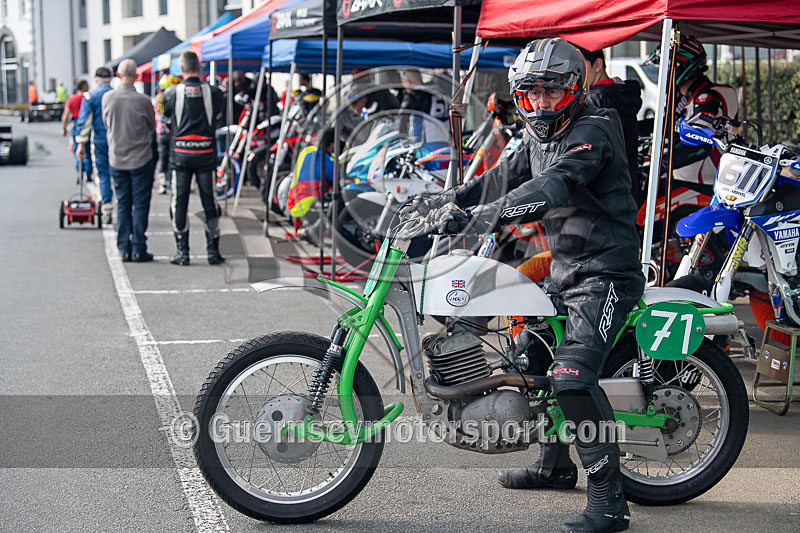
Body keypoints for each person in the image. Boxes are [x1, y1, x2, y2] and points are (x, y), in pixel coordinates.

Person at [407, 38, 643, 533]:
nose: (540, 103)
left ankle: (610, 500)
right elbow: (498, 178)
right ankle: (555, 466)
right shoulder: (535, 135)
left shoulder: (595, 127)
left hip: (605, 275)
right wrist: (440, 202)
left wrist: (474, 218)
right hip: (561, 268)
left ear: (575, 88)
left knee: (571, 377)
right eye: (530, 93)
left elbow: (551, 187)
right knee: (527, 359)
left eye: (552, 92)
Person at [646, 34, 738, 185]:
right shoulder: (680, 96)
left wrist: (661, 163)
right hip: (684, 182)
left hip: (708, 185)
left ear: (680, 67)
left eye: (666, 67)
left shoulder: (707, 98)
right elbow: (662, 125)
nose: (663, 74)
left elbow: (701, 142)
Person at [162, 51, 226, 266]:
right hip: (206, 153)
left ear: (181, 70)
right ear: (199, 68)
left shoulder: (171, 93)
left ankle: (183, 253)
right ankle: (213, 252)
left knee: (179, 202)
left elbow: (166, 118)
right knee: (210, 201)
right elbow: (218, 116)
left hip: (180, 155)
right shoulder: (214, 92)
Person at [102, 59, 156, 262]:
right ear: (136, 76)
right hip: (141, 157)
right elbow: (151, 124)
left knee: (123, 202)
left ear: (118, 75)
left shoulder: (108, 98)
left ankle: (123, 246)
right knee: (140, 204)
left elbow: (107, 123)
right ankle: (138, 247)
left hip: (117, 157)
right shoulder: (143, 100)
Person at [577, 46, 643, 205]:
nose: (575, 72)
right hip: (626, 185)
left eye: (580, 65)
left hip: (602, 194)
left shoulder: (597, 99)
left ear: (598, 65)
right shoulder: (620, 91)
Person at [75, 67, 115, 224]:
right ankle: (124, 208)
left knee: (103, 174)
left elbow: (84, 123)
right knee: (120, 175)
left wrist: (80, 144)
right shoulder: (116, 94)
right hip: (118, 140)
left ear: (96, 79)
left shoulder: (90, 97)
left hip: (100, 140)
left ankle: (107, 208)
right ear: (110, 78)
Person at [400, 68, 449, 142]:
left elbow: (402, 117)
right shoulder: (440, 91)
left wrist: (401, 137)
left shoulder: (415, 95)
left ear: (408, 82)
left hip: (425, 143)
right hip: (446, 140)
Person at [154, 75, 181, 194]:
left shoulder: (160, 97)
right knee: (168, 158)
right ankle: (165, 182)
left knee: (165, 158)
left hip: (164, 132)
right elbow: (161, 115)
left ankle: (165, 183)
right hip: (167, 132)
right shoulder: (166, 98)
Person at [61, 80, 92, 180]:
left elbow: (66, 115)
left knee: (76, 149)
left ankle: (79, 171)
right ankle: (88, 172)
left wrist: (64, 128)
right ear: (84, 87)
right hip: (87, 124)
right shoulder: (87, 98)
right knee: (87, 150)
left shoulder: (71, 99)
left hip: (75, 124)